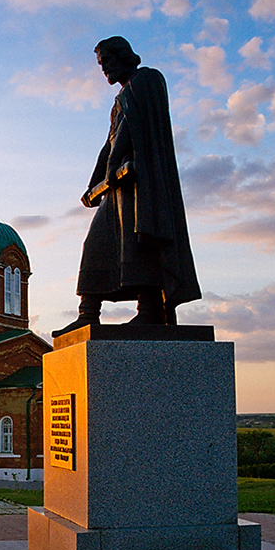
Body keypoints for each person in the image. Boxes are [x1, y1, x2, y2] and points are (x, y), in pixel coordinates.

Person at [54, 37, 200, 336]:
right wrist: (94, 183)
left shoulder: (146, 79)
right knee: (97, 243)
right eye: (100, 64)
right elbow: (110, 143)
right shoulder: (120, 98)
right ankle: (88, 313)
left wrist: (110, 172)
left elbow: (130, 130)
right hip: (118, 184)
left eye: (107, 61)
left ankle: (148, 312)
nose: (104, 69)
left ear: (123, 57)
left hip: (142, 183)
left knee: (143, 242)